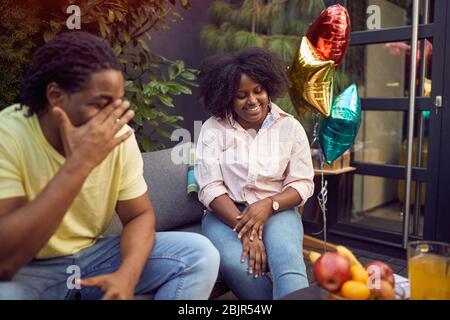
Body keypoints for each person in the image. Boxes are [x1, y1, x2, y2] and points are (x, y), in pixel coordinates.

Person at [0, 31, 219, 300]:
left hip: (92, 257)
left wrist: (127, 275)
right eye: (100, 104)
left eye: (117, 103)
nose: (114, 116)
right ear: (56, 96)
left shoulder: (117, 136)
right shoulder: (8, 136)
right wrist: (78, 165)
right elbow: (6, 260)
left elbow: (139, 216)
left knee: (199, 253)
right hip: (28, 269)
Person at [195, 47, 314, 300]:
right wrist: (247, 229)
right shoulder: (212, 129)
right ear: (227, 96)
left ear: (268, 87)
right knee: (236, 264)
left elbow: (302, 182)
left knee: (288, 260)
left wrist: (269, 205)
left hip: (277, 210)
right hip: (225, 214)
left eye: (258, 90)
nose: (252, 100)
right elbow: (210, 188)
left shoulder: (290, 127)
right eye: (241, 95)